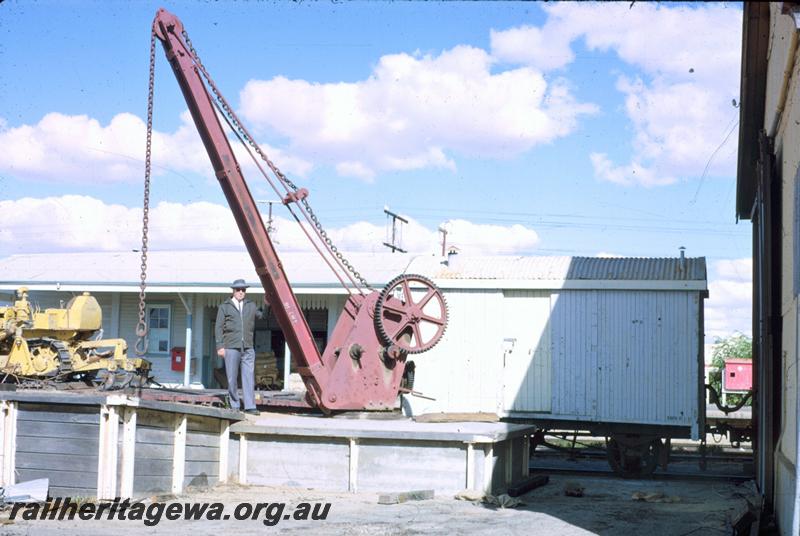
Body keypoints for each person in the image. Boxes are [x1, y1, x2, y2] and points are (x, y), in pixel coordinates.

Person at [215, 279, 264, 415]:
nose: (241, 292)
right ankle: (234, 405)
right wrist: (220, 346)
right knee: (232, 378)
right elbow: (218, 327)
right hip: (231, 346)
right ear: (233, 291)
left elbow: (262, 316)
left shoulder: (251, 305)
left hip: (248, 347)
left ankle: (250, 406)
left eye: (243, 290)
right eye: (238, 290)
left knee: (249, 377)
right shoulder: (224, 306)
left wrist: (268, 304)